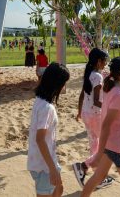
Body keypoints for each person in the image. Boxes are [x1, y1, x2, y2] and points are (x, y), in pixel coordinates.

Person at [81, 56, 120, 197]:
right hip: (118, 147)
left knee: (98, 177)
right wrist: (98, 154)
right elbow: (107, 125)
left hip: (110, 145)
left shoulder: (110, 88)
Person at [73, 48, 114, 189]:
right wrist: (110, 108)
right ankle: (83, 167)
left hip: (86, 114)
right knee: (105, 146)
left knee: (94, 145)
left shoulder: (90, 74)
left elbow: (82, 95)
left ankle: (99, 176)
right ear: (98, 61)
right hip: (95, 115)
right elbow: (97, 101)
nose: (105, 64)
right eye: (105, 61)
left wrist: (79, 112)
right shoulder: (97, 76)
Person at [28, 63, 70, 197]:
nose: (64, 86)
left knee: (59, 189)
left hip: (44, 161)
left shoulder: (39, 100)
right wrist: (52, 169)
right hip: (43, 166)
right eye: (64, 83)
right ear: (56, 84)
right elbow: (40, 140)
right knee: (52, 190)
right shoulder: (47, 108)